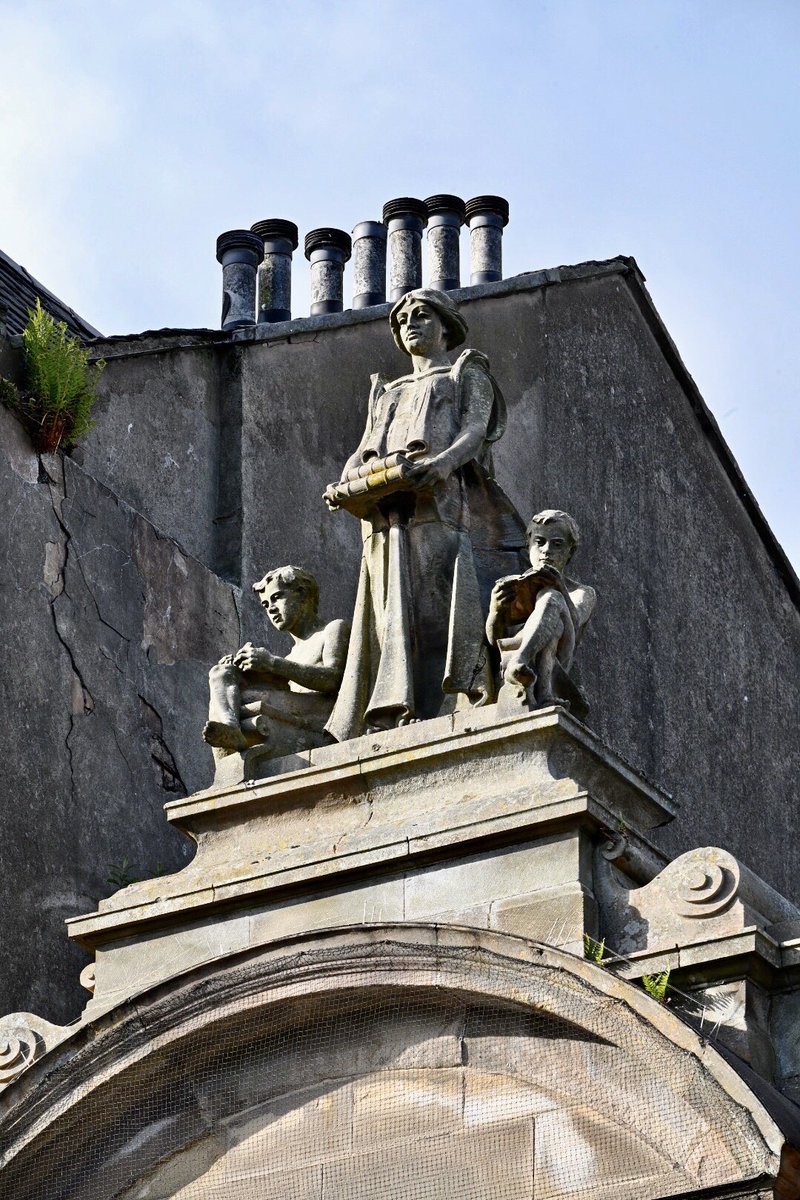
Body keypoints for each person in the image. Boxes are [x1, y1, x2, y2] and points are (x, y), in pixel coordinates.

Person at [324, 289, 527, 741]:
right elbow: (363, 447)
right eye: (402, 320)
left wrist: (442, 465)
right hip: (382, 510)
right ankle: (394, 703)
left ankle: (446, 699)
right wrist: (342, 483)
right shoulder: (387, 389)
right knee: (388, 606)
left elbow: (475, 431)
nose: (410, 324)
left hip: (440, 500)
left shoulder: (463, 372)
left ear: (444, 325)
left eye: (421, 316)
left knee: (437, 601)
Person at [203, 565, 349, 758]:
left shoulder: (332, 630)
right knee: (221, 673)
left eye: (276, 597)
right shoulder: (291, 656)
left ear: (302, 594)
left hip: (319, 717)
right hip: (291, 710)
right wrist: (245, 670)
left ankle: (234, 732)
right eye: (265, 605)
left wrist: (272, 663)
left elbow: (333, 679)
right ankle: (230, 729)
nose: (271, 609)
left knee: (249, 699)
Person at [486, 510, 596, 718]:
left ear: (570, 551)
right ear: (529, 544)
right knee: (549, 600)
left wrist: (559, 587)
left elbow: (575, 621)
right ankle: (541, 691)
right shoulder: (515, 584)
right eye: (540, 542)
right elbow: (494, 640)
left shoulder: (582, 592)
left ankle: (522, 662)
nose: (546, 551)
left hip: (557, 661)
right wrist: (495, 610)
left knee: (551, 598)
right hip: (509, 655)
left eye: (557, 544)